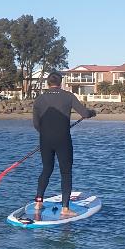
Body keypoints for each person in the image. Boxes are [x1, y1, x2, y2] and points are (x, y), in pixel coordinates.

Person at [32, 70, 96, 219]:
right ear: (61, 83)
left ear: (48, 83)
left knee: (46, 169)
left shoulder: (39, 99)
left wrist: (47, 135)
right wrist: (92, 112)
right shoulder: (68, 96)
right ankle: (65, 208)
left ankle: (38, 202)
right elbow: (85, 114)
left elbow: (36, 124)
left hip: (45, 140)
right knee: (65, 173)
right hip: (63, 140)